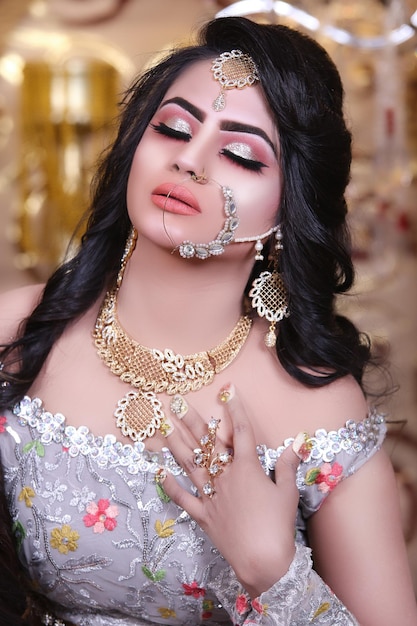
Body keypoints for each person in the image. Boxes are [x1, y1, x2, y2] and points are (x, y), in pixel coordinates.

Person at [0, 15, 416, 626]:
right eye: (172, 128)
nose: (190, 162)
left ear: (287, 210)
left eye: (241, 156)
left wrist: (274, 572)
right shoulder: (19, 326)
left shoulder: (319, 411)